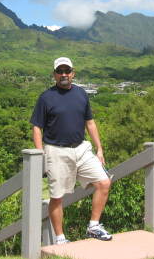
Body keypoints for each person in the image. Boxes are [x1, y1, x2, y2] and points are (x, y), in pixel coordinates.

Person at [30, 57, 112, 244]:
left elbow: (90, 122)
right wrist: (40, 154)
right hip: (56, 151)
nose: (64, 74)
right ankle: (60, 239)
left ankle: (93, 226)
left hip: (82, 148)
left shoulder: (82, 94)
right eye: (60, 71)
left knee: (104, 183)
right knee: (57, 196)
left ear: (73, 73)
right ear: (54, 75)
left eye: (67, 71)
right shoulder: (46, 97)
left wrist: (99, 148)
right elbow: (36, 127)